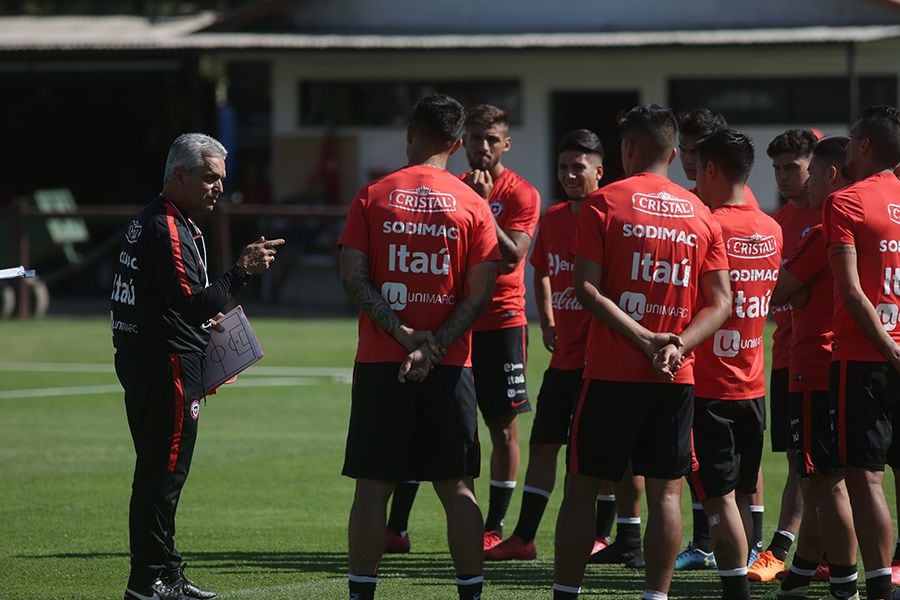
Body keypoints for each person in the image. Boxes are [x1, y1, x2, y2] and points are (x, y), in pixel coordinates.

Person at [552, 104, 731, 600]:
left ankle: (566, 592)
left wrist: (644, 340)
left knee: (583, 488)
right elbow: (722, 303)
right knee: (667, 493)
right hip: (676, 376)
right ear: (675, 153)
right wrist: (676, 344)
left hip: (612, 372)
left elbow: (586, 290)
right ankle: (656, 596)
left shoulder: (604, 204)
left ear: (628, 149)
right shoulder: (701, 213)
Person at [338, 93, 501, 600]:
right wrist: (435, 346)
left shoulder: (373, 195)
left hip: (381, 362)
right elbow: (481, 293)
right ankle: (470, 593)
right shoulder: (473, 204)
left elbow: (352, 278)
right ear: (456, 143)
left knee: (372, 489)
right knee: (457, 490)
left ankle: (362, 593)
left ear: (410, 134)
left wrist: (404, 336)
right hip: (451, 367)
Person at [112, 133, 284, 600]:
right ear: (180, 176)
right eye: (209, 178)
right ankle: (149, 580)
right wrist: (243, 270)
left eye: (220, 179)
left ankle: (165, 573)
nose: (218, 188)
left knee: (163, 473)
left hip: (157, 361)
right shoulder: (165, 225)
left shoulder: (166, 220)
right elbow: (191, 306)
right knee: (161, 475)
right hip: (163, 365)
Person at [385, 104, 541, 553]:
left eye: (493, 140)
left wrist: (482, 207)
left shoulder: (520, 194)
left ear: (506, 144)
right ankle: (397, 528)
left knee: (502, 427)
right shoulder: (443, 186)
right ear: (461, 142)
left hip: (500, 323)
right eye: (476, 139)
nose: (484, 147)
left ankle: (493, 525)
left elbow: (513, 257)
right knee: (424, 420)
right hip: (450, 324)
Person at [486, 129, 610, 561]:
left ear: (599, 170)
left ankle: (604, 536)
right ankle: (523, 538)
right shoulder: (555, 217)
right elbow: (538, 269)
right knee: (544, 447)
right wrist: (548, 319)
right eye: (563, 167)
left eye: (579, 167)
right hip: (563, 358)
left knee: (598, 457)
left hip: (601, 360)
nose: (570, 175)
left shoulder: (610, 215)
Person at [690, 128, 783, 600]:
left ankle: (733, 589)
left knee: (718, 496)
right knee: (745, 490)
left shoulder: (707, 226)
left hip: (709, 385)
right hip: (753, 381)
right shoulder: (772, 227)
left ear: (710, 170)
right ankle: (751, 565)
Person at [763, 137, 857, 600]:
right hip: (843, 362)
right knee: (827, 478)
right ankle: (804, 565)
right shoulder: (869, 219)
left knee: (826, 482)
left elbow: (779, 289)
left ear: (830, 176)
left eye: (811, 173)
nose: (801, 181)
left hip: (815, 365)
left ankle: (847, 581)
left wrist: (791, 290)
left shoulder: (825, 227)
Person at [820, 105, 900, 600]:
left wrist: (891, 350)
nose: (846, 150)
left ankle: (877, 586)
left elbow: (852, 293)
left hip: (865, 357)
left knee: (865, 475)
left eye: (850, 142)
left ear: (865, 146)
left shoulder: (846, 202)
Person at [750, 128, 821, 583]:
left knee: (830, 465)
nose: (781, 176)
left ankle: (784, 548)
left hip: (820, 358)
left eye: (791, 166)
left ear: (815, 167)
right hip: (783, 356)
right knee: (798, 460)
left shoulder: (833, 214)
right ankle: (801, 551)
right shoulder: (777, 221)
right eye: (776, 167)